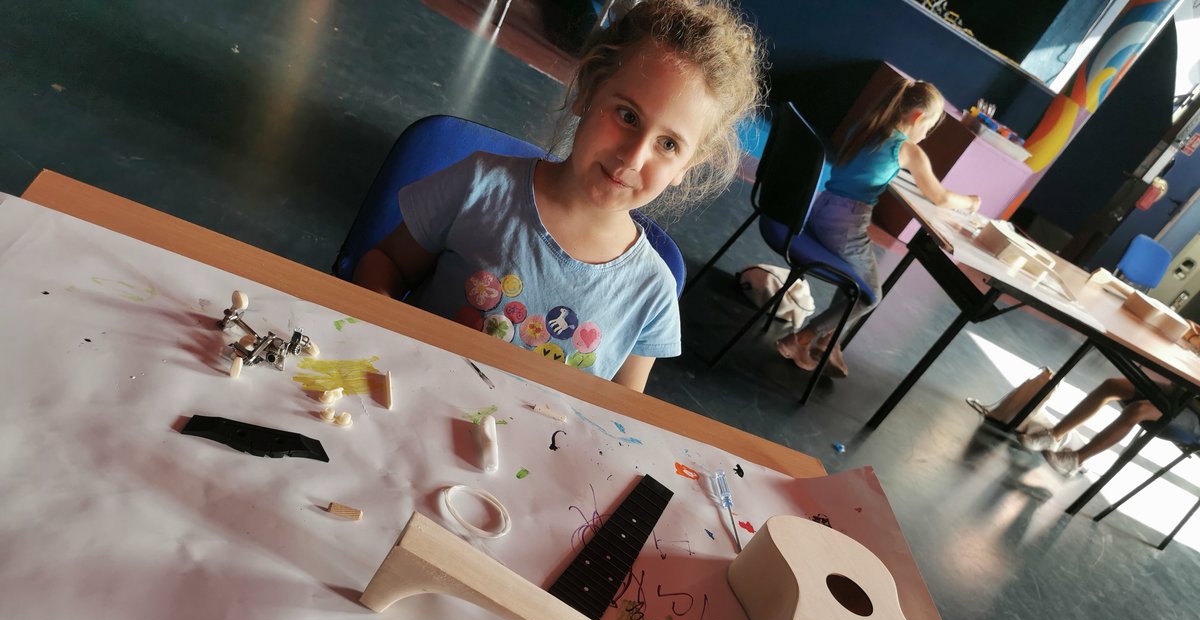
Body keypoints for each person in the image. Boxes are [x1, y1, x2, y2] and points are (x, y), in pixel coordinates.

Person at [354, 0, 764, 392]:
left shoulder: (652, 294)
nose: (633, 157)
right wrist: (387, 339)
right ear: (588, 90)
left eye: (669, 144)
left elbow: (618, 417)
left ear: (688, 166)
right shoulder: (479, 186)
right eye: (627, 116)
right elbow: (384, 263)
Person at [775, 79, 982, 378]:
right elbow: (940, 197)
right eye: (929, 127)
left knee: (857, 277)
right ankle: (803, 339)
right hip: (845, 226)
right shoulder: (907, 150)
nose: (926, 135)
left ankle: (829, 339)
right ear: (917, 117)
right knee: (869, 294)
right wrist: (971, 202)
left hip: (820, 211)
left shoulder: (865, 128)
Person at [1019, 376, 1200, 476]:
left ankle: (1076, 460)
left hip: (1196, 418)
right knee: (1113, 385)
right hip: (1183, 393)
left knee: (1139, 410)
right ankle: (1053, 436)